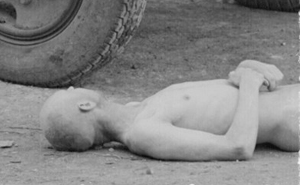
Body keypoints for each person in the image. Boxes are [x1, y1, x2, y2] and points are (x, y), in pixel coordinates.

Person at [40, 59, 298, 161]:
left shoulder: (139, 110)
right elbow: (237, 147)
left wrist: (245, 69)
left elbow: (219, 102)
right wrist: (250, 83)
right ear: (85, 106)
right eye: (68, 92)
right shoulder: (143, 132)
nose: (71, 87)